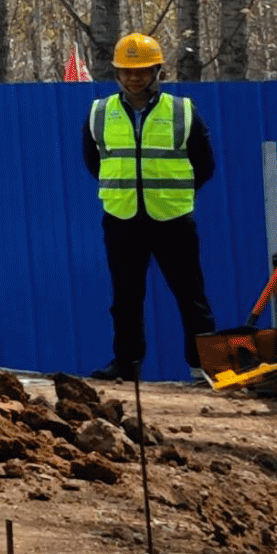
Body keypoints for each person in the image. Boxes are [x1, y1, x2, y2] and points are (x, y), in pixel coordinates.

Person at [79, 29, 216, 395]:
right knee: (125, 297)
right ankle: (126, 365)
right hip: (122, 219)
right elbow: (95, 161)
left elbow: (205, 164)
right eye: (127, 71)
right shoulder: (100, 112)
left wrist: (175, 194)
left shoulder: (181, 111)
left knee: (191, 295)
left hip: (173, 220)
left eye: (141, 71)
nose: (134, 78)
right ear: (117, 74)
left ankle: (203, 367)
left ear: (158, 71)